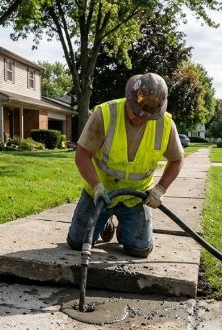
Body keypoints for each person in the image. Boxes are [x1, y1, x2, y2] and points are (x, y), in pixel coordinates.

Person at [66, 73, 184, 258]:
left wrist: (160, 189)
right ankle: (105, 224)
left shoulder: (166, 124)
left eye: (148, 116)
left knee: (140, 250)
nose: (141, 119)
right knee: (77, 243)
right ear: (128, 99)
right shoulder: (105, 114)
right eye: (137, 112)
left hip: (135, 197)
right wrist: (96, 186)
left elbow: (177, 160)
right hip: (99, 194)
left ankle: (125, 227)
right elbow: (82, 154)